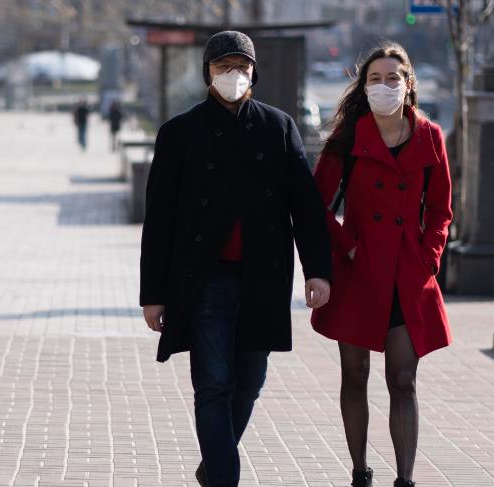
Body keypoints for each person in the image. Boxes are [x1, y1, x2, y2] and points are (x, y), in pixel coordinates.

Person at [139, 31, 333, 486]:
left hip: (262, 278)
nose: (234, 75)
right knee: (214, 384)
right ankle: (226, 478)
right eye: (224, 66)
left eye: (241, 67)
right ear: (207, 72)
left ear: (254, 73)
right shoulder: (179, 133)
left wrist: (318, 270)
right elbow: (159, 220)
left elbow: (305, 205)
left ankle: (214, 468)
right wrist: (153, 295)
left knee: (249, 382)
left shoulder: (277, 126)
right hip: (204, 280)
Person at [309, 41, 453, 487]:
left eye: (394, 78)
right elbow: (316, 207)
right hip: (358, 274)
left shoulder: (430, 136)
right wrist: (347, 248)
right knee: (354, 375)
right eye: (375, 78)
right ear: (364, 86)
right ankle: (359, 472)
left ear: (409, 85)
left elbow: (442, 210)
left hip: (408, 277)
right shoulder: (348, 139)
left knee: (403, 378)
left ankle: (405, 479)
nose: (385, 85)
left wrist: (428, 259)